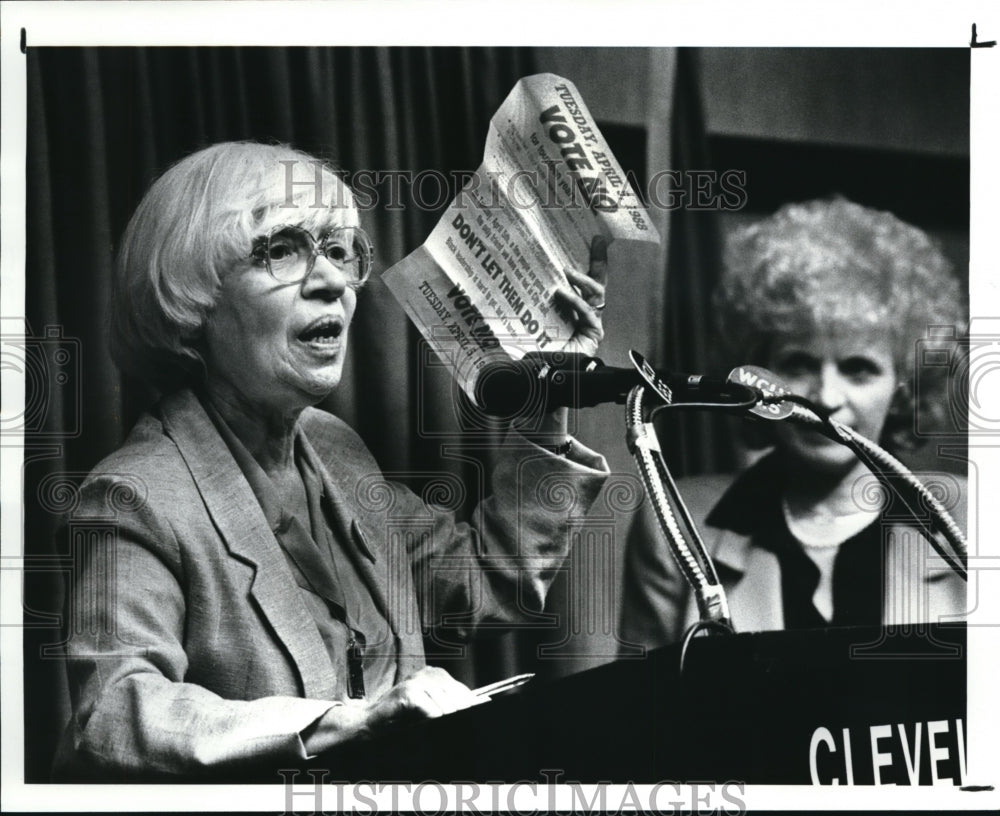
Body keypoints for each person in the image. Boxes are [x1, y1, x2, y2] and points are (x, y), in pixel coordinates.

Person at [54, 141, 611, 779]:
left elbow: (487, 586)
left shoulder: (335, 451)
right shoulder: (136, 493)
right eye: (284, 250)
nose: (334, 282)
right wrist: (346, 721)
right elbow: (116, 712)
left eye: (342, 251)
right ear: (192, 302)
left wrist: (543, 399)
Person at [620, 197, 966, 648]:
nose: (825, 397)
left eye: (858, 368)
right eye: (798, 363)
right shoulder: (676, 525)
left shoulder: (980, 520)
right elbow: (643, 713)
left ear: (905, 385)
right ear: (754, 371)